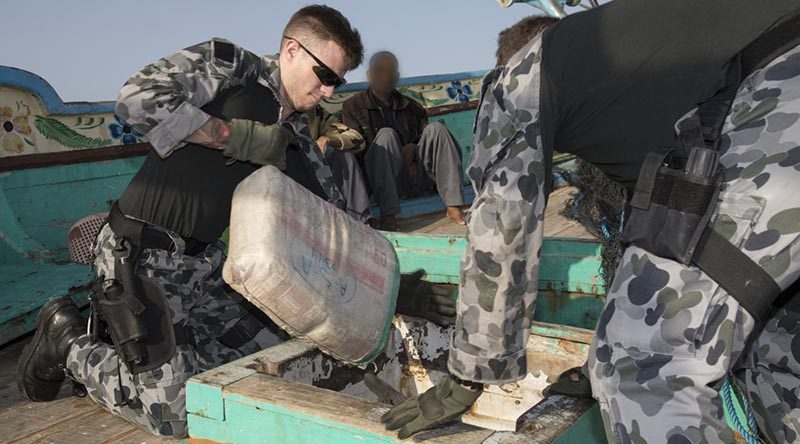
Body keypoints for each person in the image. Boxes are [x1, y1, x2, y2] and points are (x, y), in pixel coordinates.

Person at [381, 2, 800, 443]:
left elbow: (502, 224)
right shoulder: (642, 59)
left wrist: (472, 371)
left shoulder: (521, 76)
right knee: (775, 350)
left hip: (774, 113)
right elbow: (657, 238)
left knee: (642, 365)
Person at [16, 5, 365, 438]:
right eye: (325, 75)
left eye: (339, 82)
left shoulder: (292, 134)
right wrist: (232, 136)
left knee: (282, 361)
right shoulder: (233, 67)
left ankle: (152, 352)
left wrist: (392, 286)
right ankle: (67, 340)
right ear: (292, 50)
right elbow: (136, 97)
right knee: (177, 416)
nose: (328, 92)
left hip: (207, 267)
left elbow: (336, 219)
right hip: (142, 255)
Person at [342, 51, 467, 231]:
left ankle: (453, 205)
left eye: (391, 71)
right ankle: (389, 214)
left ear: (397, 76)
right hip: (382, 183)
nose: (386, 76)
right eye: (380, 71)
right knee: (386, 135)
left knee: (437, 129)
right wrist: (396, 152)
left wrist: (413, 148)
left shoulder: (412, 106)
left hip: (416, 176)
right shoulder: (353, 106)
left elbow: (428, 143)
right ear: (369, 75)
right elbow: (356, 151)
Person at [308, 104, 373, 222]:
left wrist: (329, 140)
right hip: (282, 177)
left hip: (316, 170)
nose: (326, 92)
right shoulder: (269, 109)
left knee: (343, 154)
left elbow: (356, 138)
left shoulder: (313, 111)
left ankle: (360, 222)